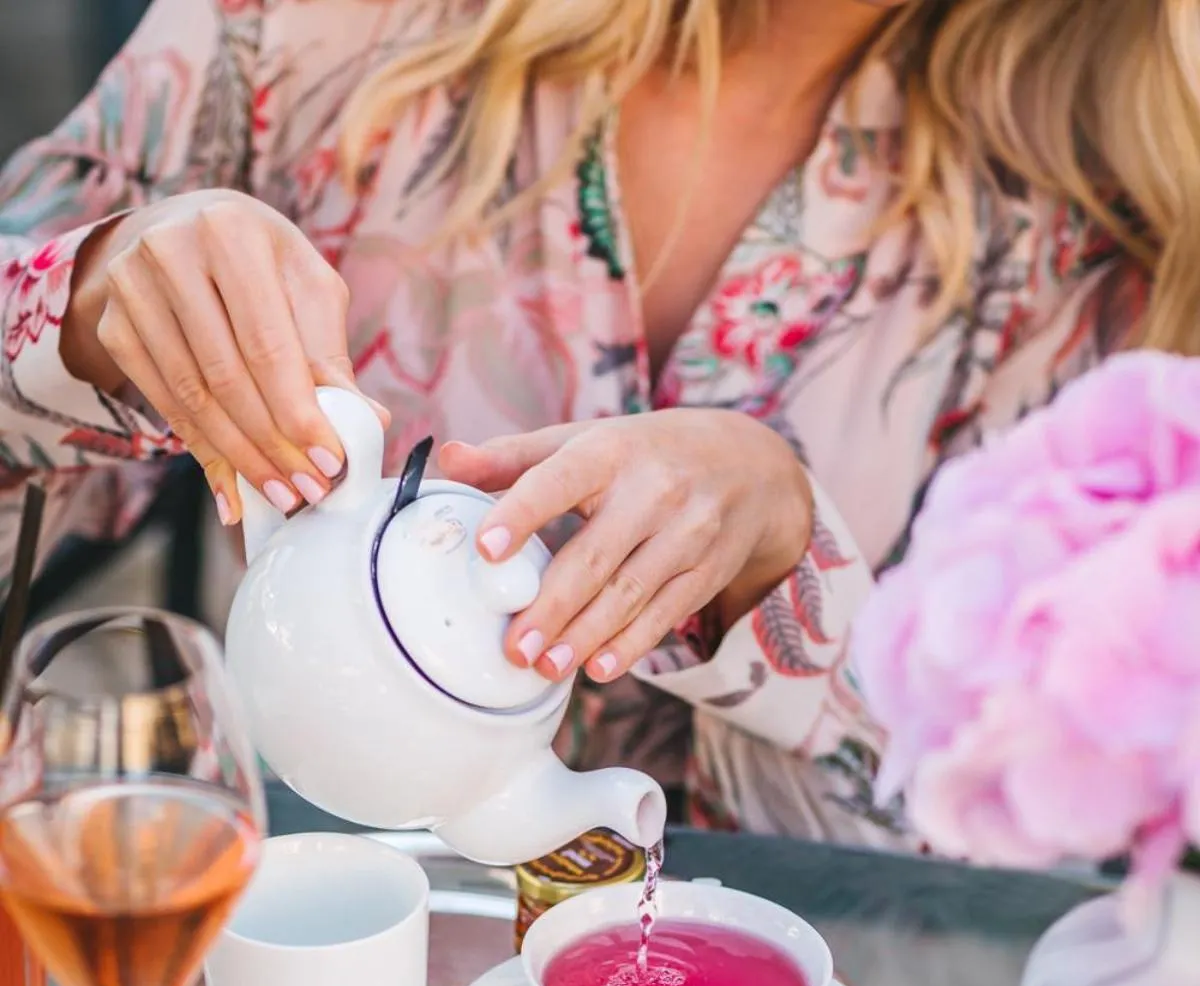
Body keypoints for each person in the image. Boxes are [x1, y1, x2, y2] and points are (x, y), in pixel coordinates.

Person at [0, 0, 1190, 842]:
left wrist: (784, 570)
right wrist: (85, 305)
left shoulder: (1089, 258)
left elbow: (995, 844)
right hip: (277, 975)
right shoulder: (310, 29)